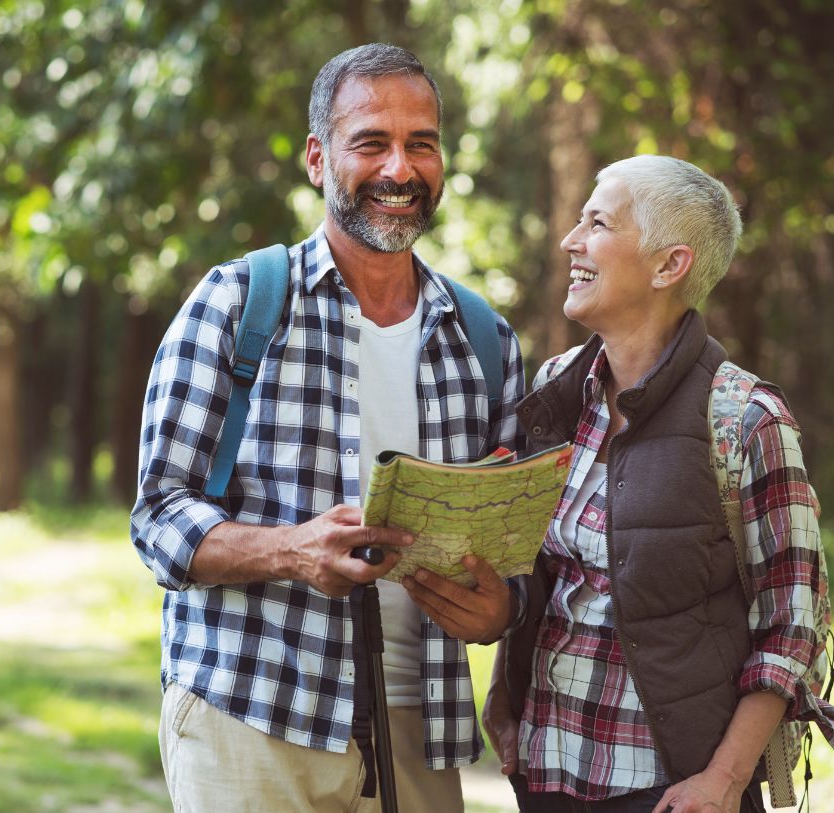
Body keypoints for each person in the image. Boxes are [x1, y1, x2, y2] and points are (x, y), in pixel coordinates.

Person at [132, 43, 526, 812]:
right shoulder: (236, 303)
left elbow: (513, 547)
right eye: (370, 142)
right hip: (253, 711)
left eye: (421, 144)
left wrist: (501, 608)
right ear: (318, 158)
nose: (399, 169)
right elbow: (157, 519)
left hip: (420, 726)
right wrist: (290, 549)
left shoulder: (483, 339)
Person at [481, 155, 834, 813]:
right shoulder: (554, 390)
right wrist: (503, 694)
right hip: (546, 773)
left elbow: (792, 626)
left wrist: (722, 779)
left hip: (673, 791)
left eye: (596, 223)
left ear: (667, 265)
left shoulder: (745, 418)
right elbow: (540, 571)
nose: (570, 241)